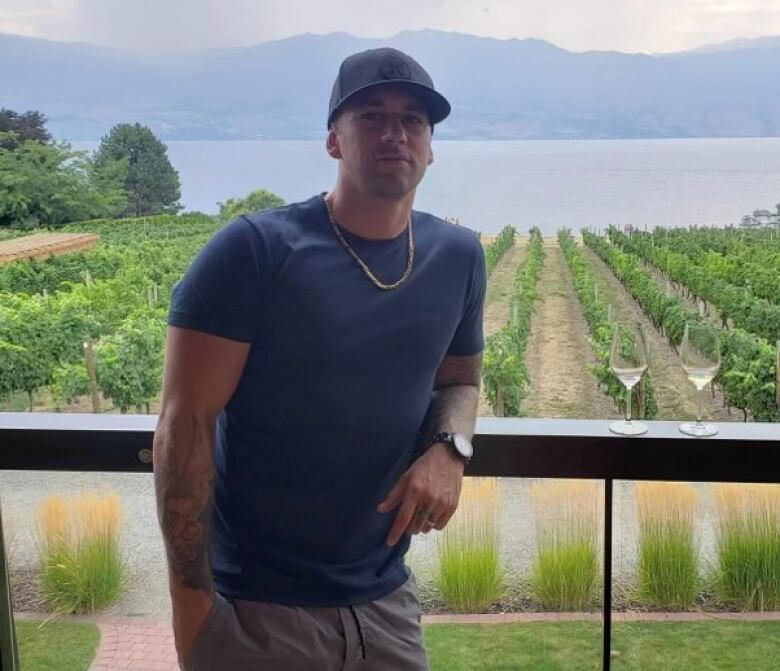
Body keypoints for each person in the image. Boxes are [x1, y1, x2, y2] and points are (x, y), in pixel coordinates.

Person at [153, 46, 486, 671]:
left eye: (413, 119)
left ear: (432, 145)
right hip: (256, 609)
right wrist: (190, 605)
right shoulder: (253, 252)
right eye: (371, 116)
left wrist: (450, 448)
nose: (395, 133)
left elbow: (462, 379)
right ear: (334, 140)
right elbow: (185, 426)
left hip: (386, 602)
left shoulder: (459, 256)